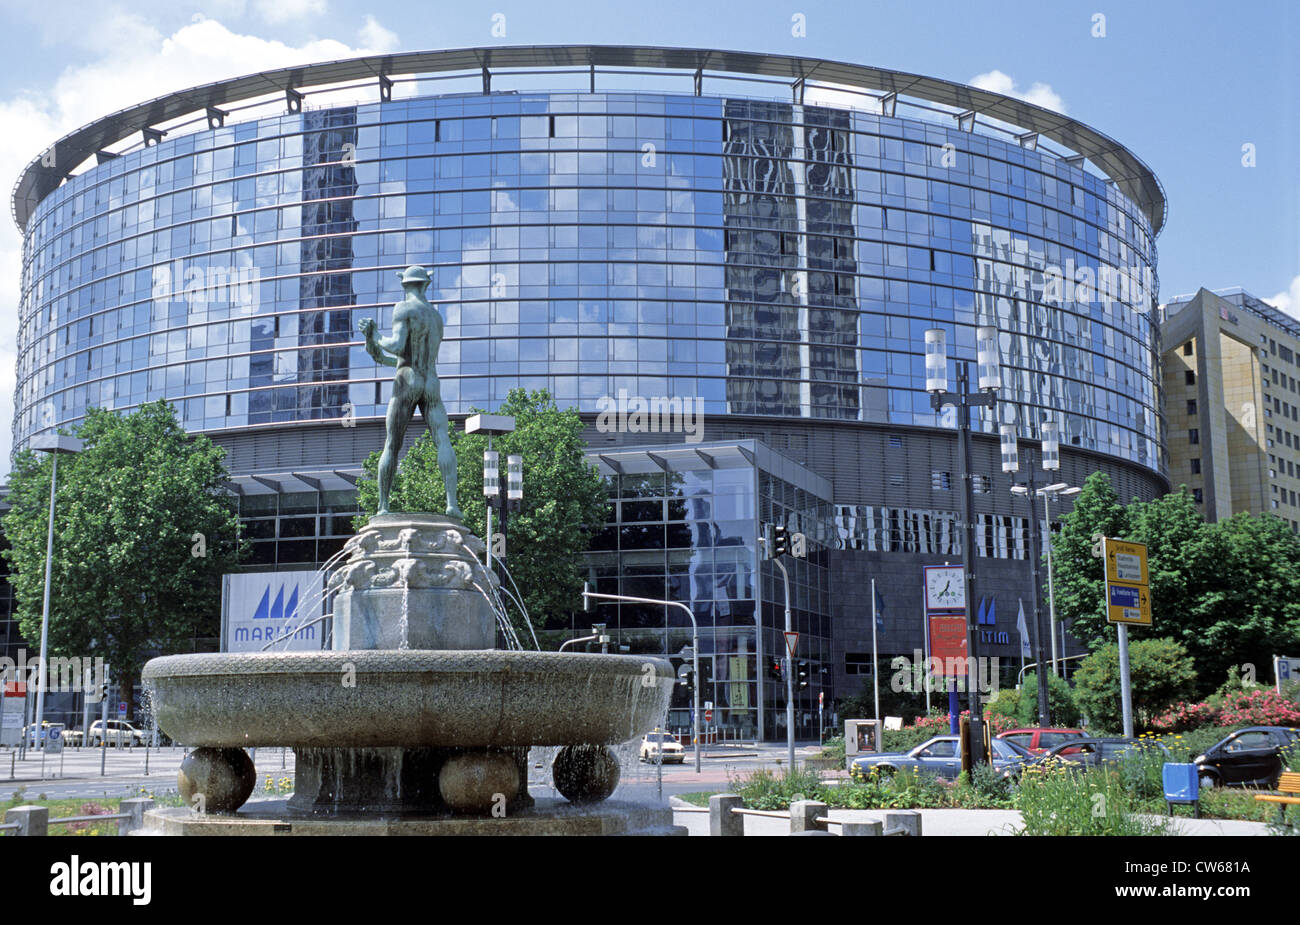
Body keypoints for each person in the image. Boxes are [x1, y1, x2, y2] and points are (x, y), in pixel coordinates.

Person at [359, 266, 461, 518]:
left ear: (404, 285)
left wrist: (374, 334)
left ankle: (383, 506)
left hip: (407, 380)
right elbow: (390, 358)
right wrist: (371, 342)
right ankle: (452, 504)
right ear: (426, 284)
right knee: (443, 441)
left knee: (392, 444)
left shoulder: (402, 308)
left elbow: (395, 346)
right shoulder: (437, 317)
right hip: (431, 382)